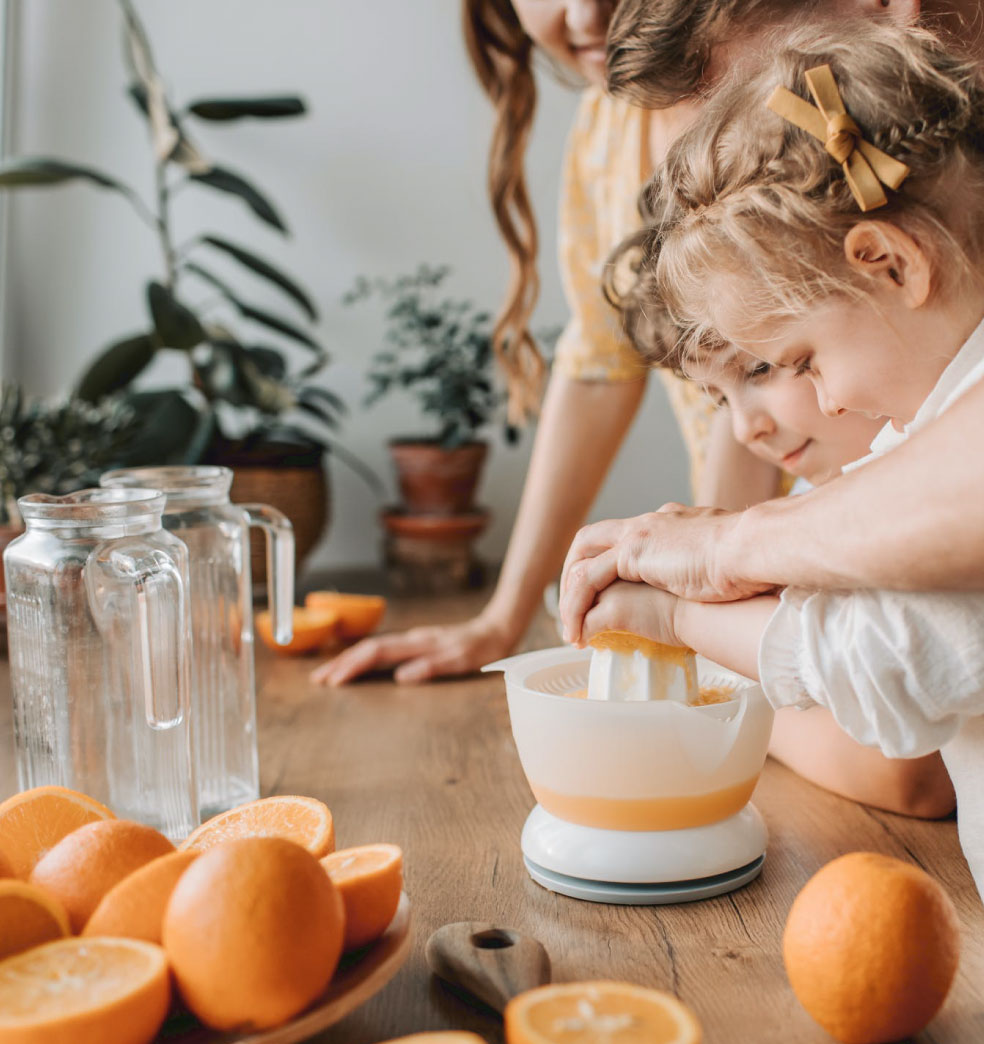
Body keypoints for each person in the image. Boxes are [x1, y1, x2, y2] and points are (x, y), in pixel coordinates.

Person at [562, 22, 984, 892]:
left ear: (889, 263)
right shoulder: (936, 416)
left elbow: (887, 658)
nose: (827, 401)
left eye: (797, 361)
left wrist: (676, 620)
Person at [312, 0, 778, 688]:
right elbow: (599, 364)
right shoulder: (606, 127)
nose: (587, 16)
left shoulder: (775, 92)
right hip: (741, 590)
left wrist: (712, 589)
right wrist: (503, 619)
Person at [688, 346, 953, 815]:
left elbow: (910, 771)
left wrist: (716, 700)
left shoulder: (929, 487)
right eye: (720, 400)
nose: (745, 430)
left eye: (760, 368)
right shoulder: (815, 488)